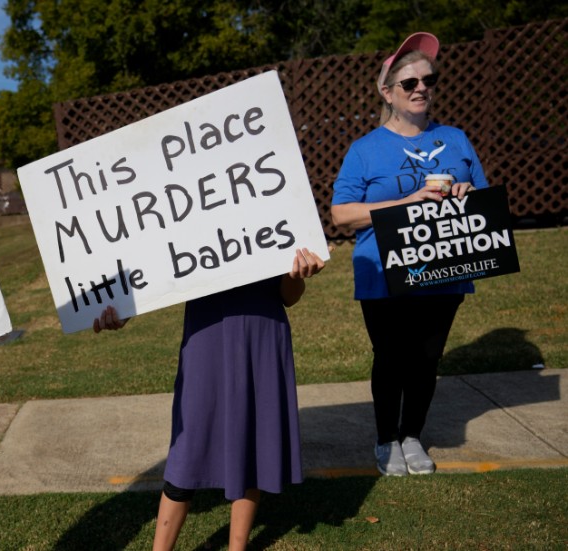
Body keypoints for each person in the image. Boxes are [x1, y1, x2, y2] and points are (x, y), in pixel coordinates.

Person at [330, 32, 489, 477]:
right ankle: (386, 439)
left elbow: (485, 199)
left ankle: (412, 435)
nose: (421, 88)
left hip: (447, 267)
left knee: (426, 357)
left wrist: (468, 192)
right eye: (409, 83)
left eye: (428, 80)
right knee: (392, 357)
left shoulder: (456, 139)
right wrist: (407, 202)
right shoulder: (364, 150)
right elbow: (342, 214)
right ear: (387, 92)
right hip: (385, 272)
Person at [95, 248, 326, 551]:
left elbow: (289, 295)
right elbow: (159, 265)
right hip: (206, 333)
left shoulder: (275, 206)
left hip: (262, 334)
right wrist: (125, 308)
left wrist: (298, 273)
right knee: (189, 445)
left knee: (251, 441)